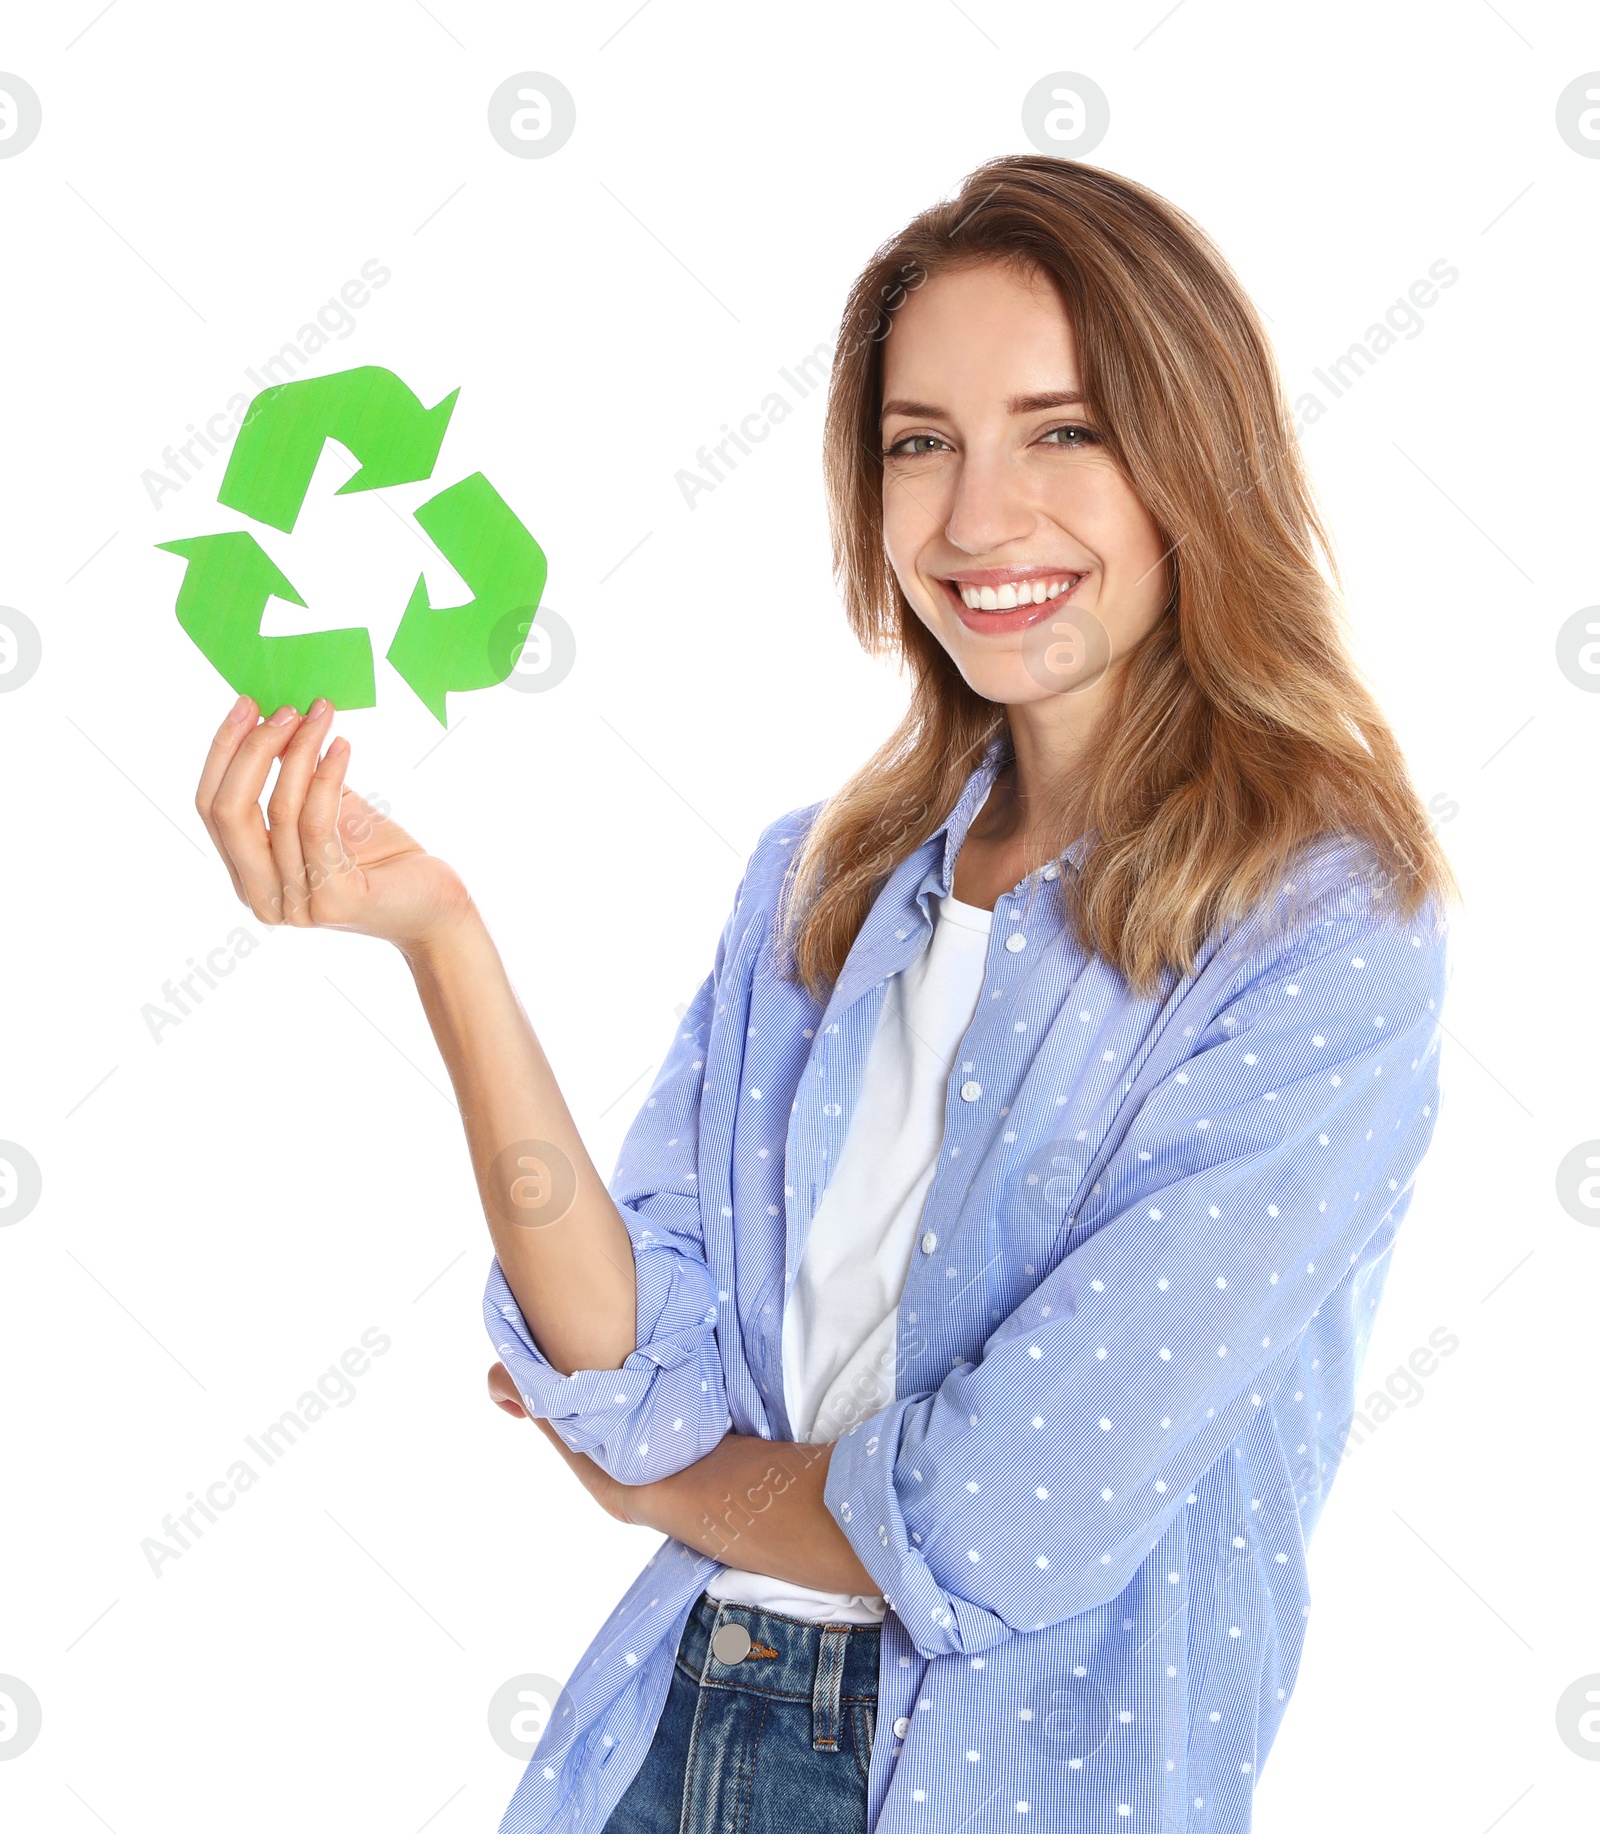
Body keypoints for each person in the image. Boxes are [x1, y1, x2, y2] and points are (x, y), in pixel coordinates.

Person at [194, 154, 1454, 1834]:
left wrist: (660, 1486)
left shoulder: (1325, 927)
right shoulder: (825, 877)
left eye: (1062, 431)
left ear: (1194, 463)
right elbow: (635, 1360)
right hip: (673, 1726)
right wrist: (441, 935)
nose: (978, 517)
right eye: (919, 442)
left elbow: (1007, 1510)